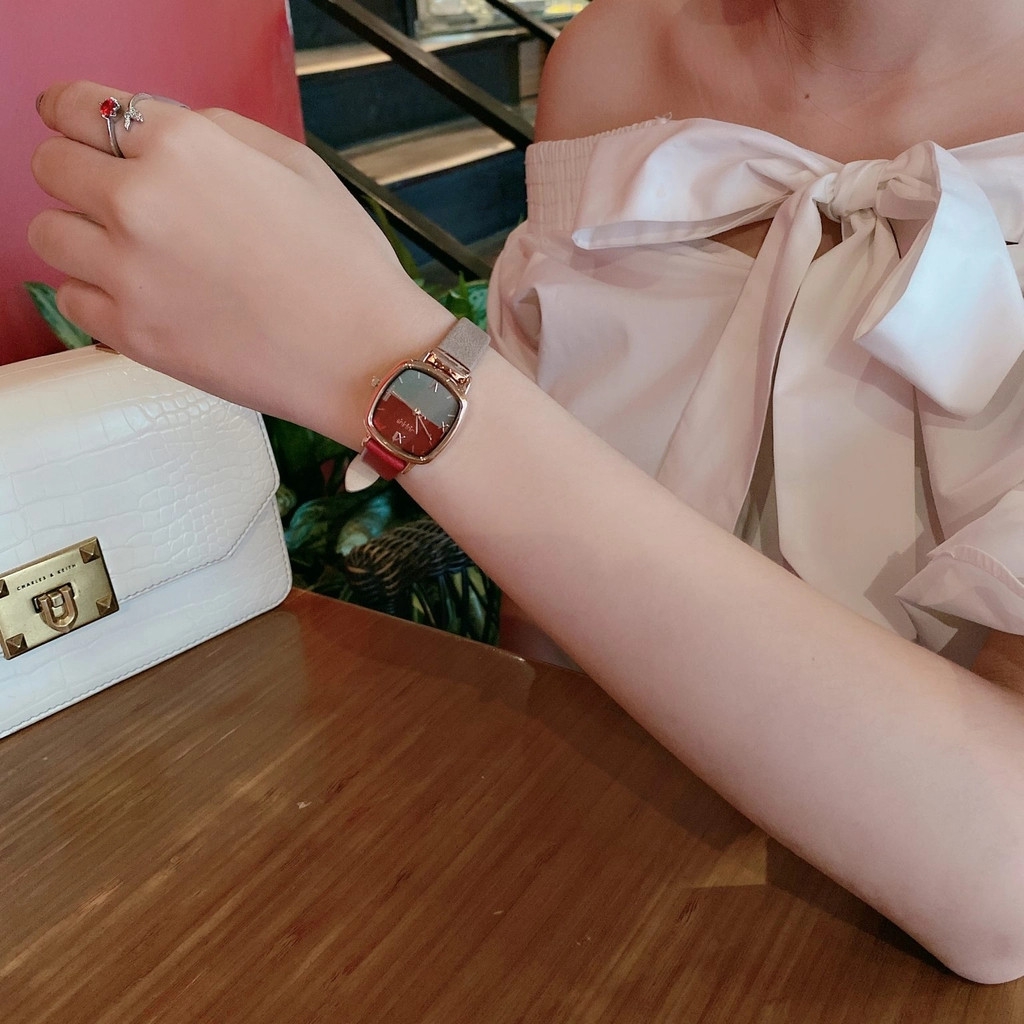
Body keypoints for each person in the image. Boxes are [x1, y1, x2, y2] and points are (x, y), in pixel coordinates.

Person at [28, 0, 1024, 983]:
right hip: (583, 880)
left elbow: (1004, 880)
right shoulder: (613, 57)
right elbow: (542, 639)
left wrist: (381, 356)